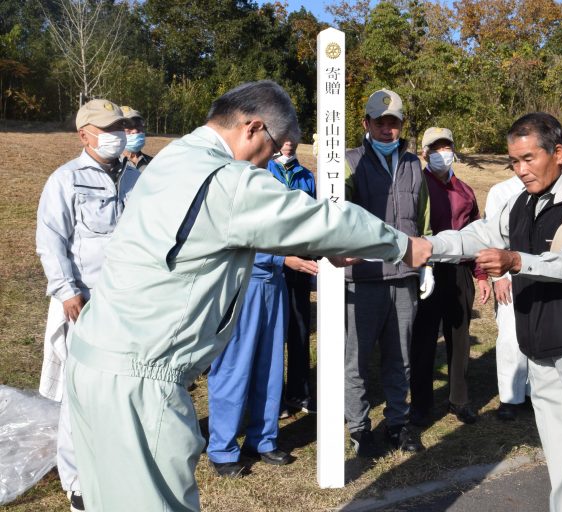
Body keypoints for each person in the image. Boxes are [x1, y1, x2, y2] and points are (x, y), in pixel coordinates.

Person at [65, 81, 432, 512]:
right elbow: (317, 217)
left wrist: (317, 248)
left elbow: (216, 230)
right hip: (141, 382)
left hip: (94, 360)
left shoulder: (177, 158)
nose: (271, 160)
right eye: (273, 147)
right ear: (253, 128)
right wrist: (402, 245)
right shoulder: (226, 178)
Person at [426, 113, 562, 511]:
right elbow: (478, 235)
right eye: (513, 162)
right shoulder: (523, 203)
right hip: (542, 347)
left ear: (557, 153)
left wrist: (515, 261)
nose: (520, 170)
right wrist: (424, 246)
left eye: (528, 158)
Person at [36, 98, 139, 512]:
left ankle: (114, 466)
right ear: (84, 135)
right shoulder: (65, 180)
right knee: (80, 393)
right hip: (87, 304)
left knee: (121, 391)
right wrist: (67, 292)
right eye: (107, 129)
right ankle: (76, 479)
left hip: (129, 306)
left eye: (120, 127)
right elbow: (51, 241)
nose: (117, 135)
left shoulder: (134, 178)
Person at [344, 88, 431, 457]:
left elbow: (423, 218)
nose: (386, 129)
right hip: (361, 279)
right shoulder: (348, 162)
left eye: (393, 123)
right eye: (379, 122)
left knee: (401, 358)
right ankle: (359, 428)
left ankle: (398, 424)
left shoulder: (414, 165)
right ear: (366, 123)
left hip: (403, 277)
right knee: (356, 359)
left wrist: (424, 266)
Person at [409, 127, 491, 426]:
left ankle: (459, 399)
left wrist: (480, 274)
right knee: (424, 338)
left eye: (447, 148)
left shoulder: (465, 191)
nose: (442, 153)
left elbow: (477, 233)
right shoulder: (416, 185)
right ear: (425, 153)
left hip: (458, 270)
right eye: (436, 149)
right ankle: (421, 403)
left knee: (460, 337)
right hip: (427, 269)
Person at [206, 250, 293, 477]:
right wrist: (279, 258)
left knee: (271, 367)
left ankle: (262, 440)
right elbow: (233, 237)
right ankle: (222, 450)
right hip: (241, 283)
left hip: (275, 284)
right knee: (233, 368)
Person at [267, 141, 319, 415]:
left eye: (293, 136)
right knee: (273, 335)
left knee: (299, 330)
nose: (288, 142)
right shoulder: (263, 171)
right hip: (270, 264)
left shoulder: (307, 176)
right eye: (283, 135)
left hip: (299, 263)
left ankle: (298, 393)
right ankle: (272, 398)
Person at [484, 162, 528, 421]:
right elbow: (492, 237)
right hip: (509, 273)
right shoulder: (501, 191)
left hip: (539, 269)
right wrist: (498, 277)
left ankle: (533, 392)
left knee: (537, 333)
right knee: (510, 337)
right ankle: (511, 397)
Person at [119, 106, 153, 171]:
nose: (135, 131)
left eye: (138, 126)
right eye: (128, 126)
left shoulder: (153, 163)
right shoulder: (111, 166)